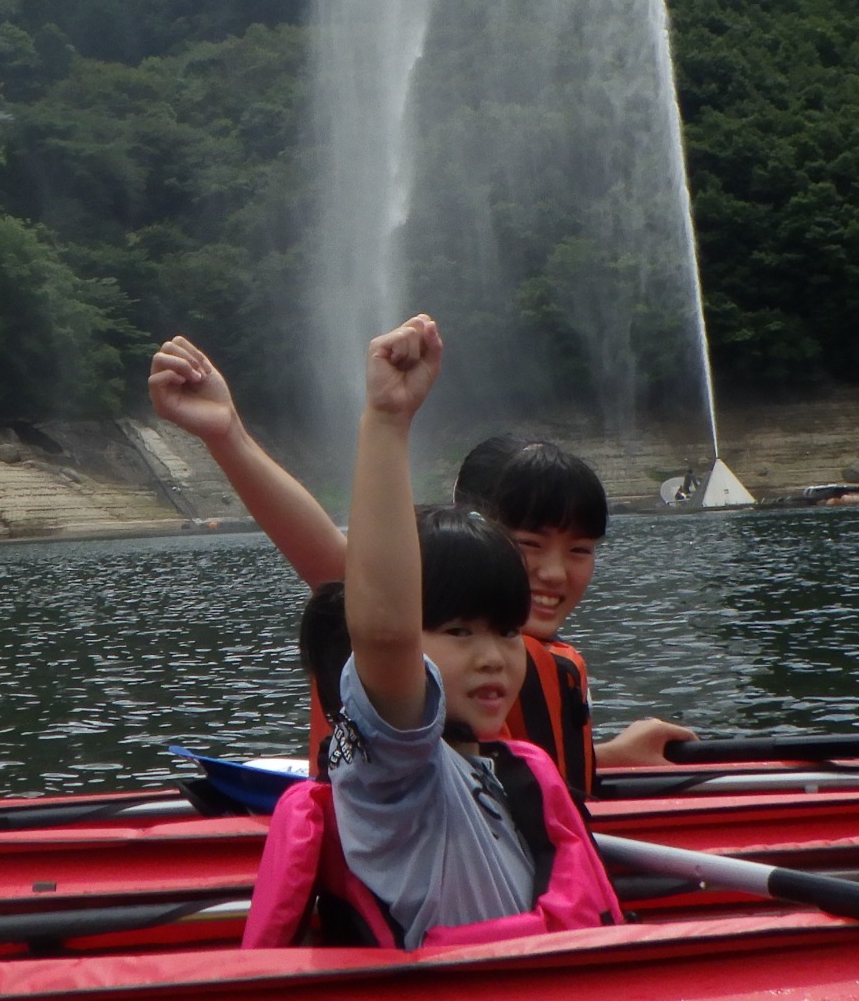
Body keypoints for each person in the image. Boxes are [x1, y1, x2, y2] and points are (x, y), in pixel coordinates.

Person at [147, 333, 694, 790]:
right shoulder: (407, 653)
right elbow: (347, 577)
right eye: (528, 543)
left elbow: (517, 762)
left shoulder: (526, 664)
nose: (554, 572)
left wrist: (606, 756)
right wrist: (229, 436)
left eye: (579, 550)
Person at [242, 316, 623, 950]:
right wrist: (387, 421)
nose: (494, 657)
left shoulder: (502, 769)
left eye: (505, 631)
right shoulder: (400, 774)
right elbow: (386, 630)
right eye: (457, 631)